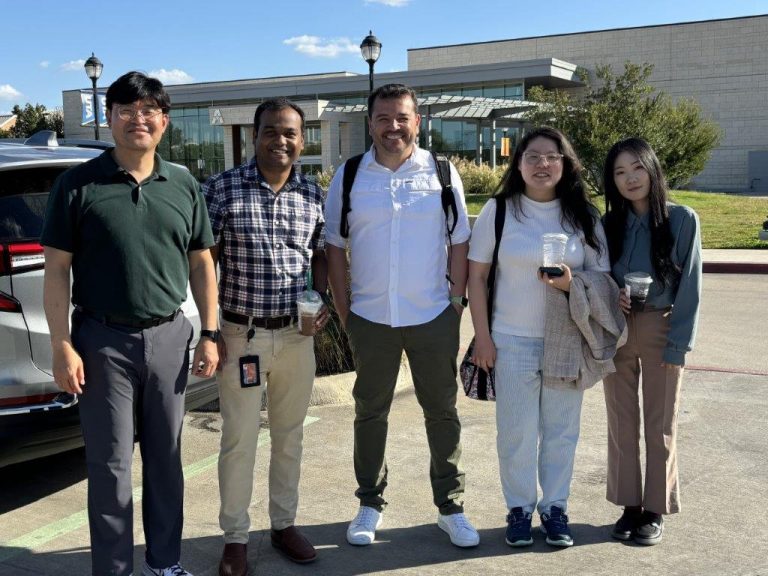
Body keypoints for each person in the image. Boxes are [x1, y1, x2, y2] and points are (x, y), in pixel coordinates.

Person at [41, 71, 219, 576]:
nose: (137, 120)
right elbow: (56, 270)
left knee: (166, 459)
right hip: (101, 341)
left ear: (163, 122)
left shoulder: (183, 183)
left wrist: (208, 332)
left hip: (169, 338)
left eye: (148, 111)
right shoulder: (77, 185)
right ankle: (114, 569)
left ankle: (165, 562)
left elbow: (201, 261)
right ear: (111, 117)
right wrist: (61, 345)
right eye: (125, 110)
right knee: (111, 466)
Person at [325, 83, 479, 549]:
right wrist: (344, 309)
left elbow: (459, 240)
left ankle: (450, 507)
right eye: (383, 118)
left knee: (442, 411)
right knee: (370, 411)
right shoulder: (350, 175)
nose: (393, 126)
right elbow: (334, 245)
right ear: (370, 123)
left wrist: (455, 302)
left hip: (433, 313)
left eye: (402, 117)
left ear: (417, 121)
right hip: (370, 317)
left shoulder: (442, 171)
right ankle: (369, 503)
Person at [467, 126, 611, 548]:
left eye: (552, 156)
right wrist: (483, 338)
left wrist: (570, 285)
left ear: (566, 164)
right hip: (510, 338)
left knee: (562, 430)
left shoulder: (583, 215)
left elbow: (602, 279)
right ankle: (518, 508)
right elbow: (476, 278)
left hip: (567, 340)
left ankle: (555, 508)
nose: (542, 164)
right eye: (533, 156)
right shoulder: (499, 211)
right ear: (518, 163)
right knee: (515, 431)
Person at [202, 97, 328, 575]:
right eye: (271, 131)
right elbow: (206, 265)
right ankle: (235, 536)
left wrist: (320, 303)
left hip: (297, 339)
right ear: (254, 136)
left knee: (289, 437)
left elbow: (318, 256)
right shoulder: (221, 189)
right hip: (242, 337)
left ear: (302, 139)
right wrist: (211, 331)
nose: (281, 141)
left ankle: (283, 524)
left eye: (290, 133)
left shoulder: (313, 194)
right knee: (238, 440)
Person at [601, 137, 702, 545]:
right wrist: (614, 294)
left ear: (652, 169)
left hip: (663, 327)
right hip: (618, 329)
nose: (630, 179)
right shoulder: (609, 225)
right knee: (621, 422)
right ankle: (629, 506)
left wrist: (679, 345)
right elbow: (598, 278)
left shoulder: (681, 220)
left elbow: (691, 288)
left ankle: (655, 509)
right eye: (620, 172)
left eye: (637, 168)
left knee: (661, 424)